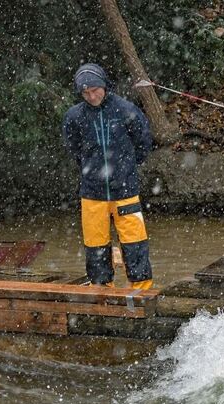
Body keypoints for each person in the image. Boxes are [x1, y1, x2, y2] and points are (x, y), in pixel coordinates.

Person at [62, 63, 154, 290]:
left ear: (104, 85)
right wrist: (91, 169)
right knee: (95, 244)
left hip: (125, 189)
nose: (92, 96)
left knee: (135, 241)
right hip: (92, 192)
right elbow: (74, 149)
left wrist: (126, 167)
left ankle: (141, 289)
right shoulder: (74, 116)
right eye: (86, 93)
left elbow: (143, 142)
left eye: (95, 90)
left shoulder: (126, 110)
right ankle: (101, 288)